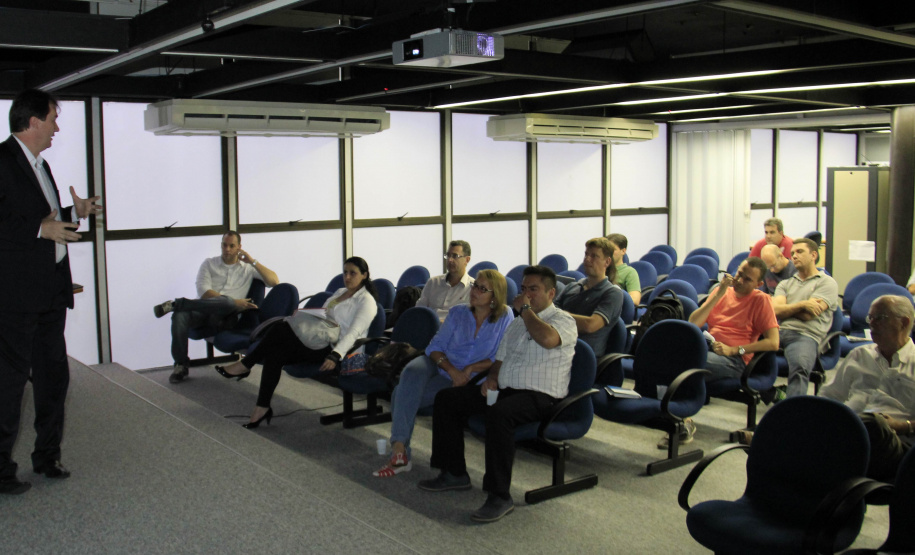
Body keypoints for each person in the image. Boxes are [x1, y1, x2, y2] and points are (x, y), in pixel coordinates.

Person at [0, 89, 102, 494]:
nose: (57, 127)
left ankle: (47, 456)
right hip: (16, 298)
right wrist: (41, 228)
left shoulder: (39, 165)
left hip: (49, 292)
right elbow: (22, 224)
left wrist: (72, 213)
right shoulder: (2, 161)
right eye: (53, 118)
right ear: (33, 121)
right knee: (9, 385)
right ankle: (0, 471)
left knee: (53, 379)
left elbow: (36, 215)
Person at [418, 265, 577, 523]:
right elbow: (500, 359)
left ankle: (499, 495)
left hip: (542, 397)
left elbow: (547, 339)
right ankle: (454, 472)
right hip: (507, 390)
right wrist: (492, 377)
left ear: (551, 293)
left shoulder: (562, 320)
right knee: (448, 399)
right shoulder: (517, 324)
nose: (526, 295)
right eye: (524, 289)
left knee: (500, 415)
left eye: (533, 290)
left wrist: (524, 311)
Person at [373, 269, 514, 478]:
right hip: (445, 370)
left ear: (495, 296)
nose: (474, 291)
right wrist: (451, 370)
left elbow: (501, 355)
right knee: (412, 372)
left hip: (475, 378)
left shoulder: (505, 316)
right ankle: (400, 451)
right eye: (475, 285)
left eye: (482, 289)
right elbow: (434, 347)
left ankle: (401, 453)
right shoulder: (458, 313)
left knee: (399, 395)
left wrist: (470, 369)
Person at [216, 257, 377, 428]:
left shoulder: (367, 302)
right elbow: (325, 316)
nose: (348, 277)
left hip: (334, 349)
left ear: (365, 275)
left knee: (280, 329)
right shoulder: (339, 292)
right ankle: (261, 407)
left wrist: (335, 355)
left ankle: (246, 365)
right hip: (318, 338)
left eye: (353, 273)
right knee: (275, 352)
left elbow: (353, 334)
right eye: (345, 272)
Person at [152, 231, 279, 384]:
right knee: (180, 316)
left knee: (227, 303)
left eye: (232, 246)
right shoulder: (209, 264)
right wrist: (235, 301)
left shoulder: (248, 269)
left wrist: (252, 261)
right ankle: (181, 365)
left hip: (228, 317)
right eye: (224, 245)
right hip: (205, 311)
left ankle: (177, 304)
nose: (227, 249)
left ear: (239, 247)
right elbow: (204, 292)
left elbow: (274, 282)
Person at [679, 257, 779, 446]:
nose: (739, 280)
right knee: (672, 355)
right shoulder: (720, 291)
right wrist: (718, 294)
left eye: (747, 279)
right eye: (739, 274)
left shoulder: (761, 300)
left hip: (736, 360)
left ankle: (682, 419)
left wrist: (734, 350)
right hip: (710, 348)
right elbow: (693, 323)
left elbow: (773, 343)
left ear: (758, 284)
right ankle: (673, 414)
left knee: (687, 366)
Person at [819, 295, 915, 481]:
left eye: (880, 318)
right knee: (810, 411)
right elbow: (829, 398)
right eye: (870, 318)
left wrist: (903, 426)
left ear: (904, 322)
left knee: (872, 423)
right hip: (850, 440)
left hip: (896, 447)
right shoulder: (860, 355)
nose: (872, 324)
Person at [772, 238, 839, 398]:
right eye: (792, 253)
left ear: (813, 255)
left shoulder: (827, 283)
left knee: (800, 366)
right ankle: (773, 393)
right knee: (742, 350)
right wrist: (802, 304)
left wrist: (787, 309)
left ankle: (794, 413)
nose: (794, 256)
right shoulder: (786, 284)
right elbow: (774, 311)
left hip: (805, 336)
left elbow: (809, 315)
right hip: (778, 332)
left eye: (800, 252)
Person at [554, 237, 624, 357]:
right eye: (586, 254)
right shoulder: (573, 286)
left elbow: (590, 325)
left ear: (607, 262)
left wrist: (559, 315)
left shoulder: (613, 293)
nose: (587, 259)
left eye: (594, 256)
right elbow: (549, 313)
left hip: (582, 355)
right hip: (557, 347)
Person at [416, 240, 473, 319]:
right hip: (430, 328)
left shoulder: (473, 288)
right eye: (448, 255)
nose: (450, 260)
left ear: (467, 260)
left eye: (455, 256)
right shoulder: (433, 282)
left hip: (454, 329)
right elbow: (419, 310)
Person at [607, 233, 641, 305]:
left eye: (612, 250)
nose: (608, 253)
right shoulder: (601, 270)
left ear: (623, 251)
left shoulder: (629, 272)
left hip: (618, 310)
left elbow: (635, 300)